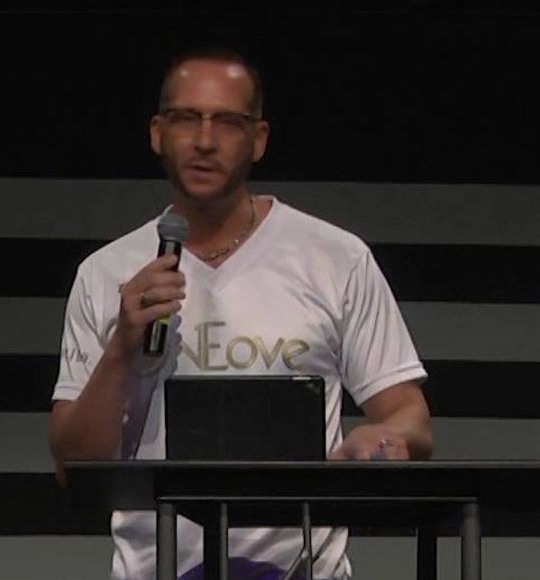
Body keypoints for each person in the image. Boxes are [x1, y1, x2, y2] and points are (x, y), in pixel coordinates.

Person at [49, 47, 433, 580]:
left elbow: (410, 416)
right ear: (158, 133)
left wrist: (386, 438)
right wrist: (120, 350)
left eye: (228, 122)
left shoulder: (335, 258)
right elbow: (73, 468)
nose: (205, 141)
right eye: (187, 118)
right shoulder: (104, 272)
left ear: (259, 140)